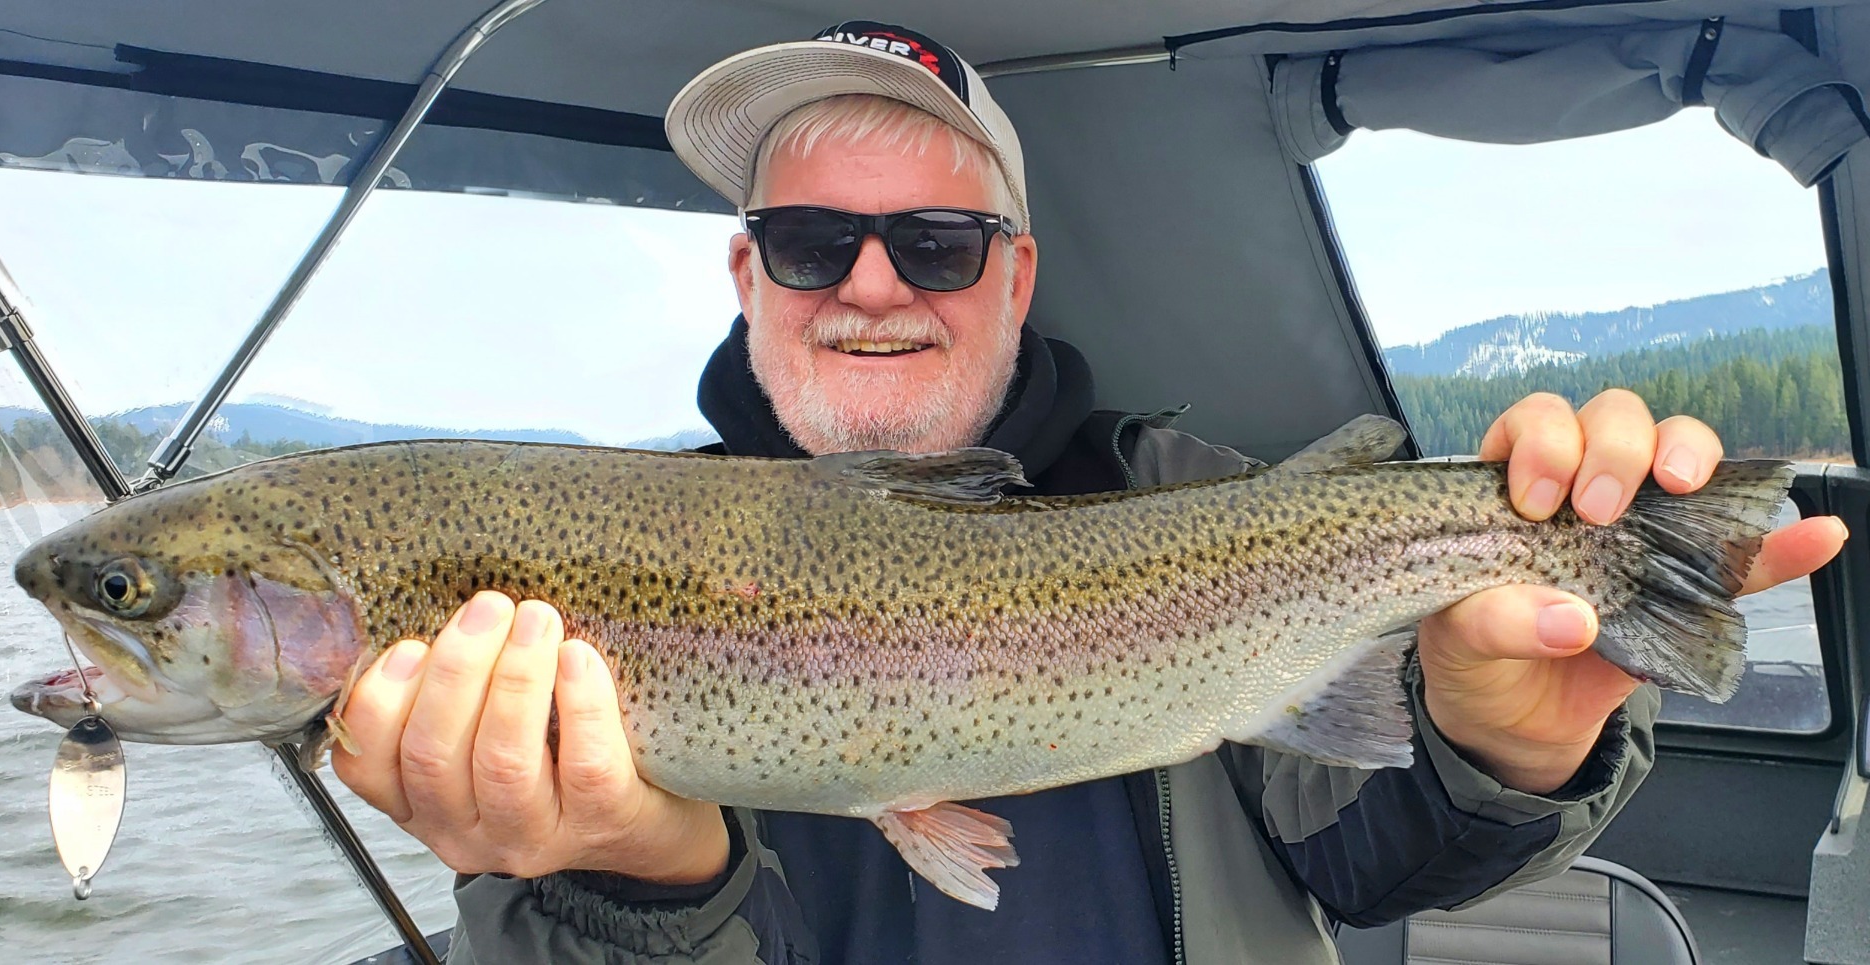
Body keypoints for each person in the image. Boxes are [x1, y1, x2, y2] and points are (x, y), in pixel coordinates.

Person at [333, 21, 1848, 964]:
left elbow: (1381, 855)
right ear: (747, 274)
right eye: (808, 241)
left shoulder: (1201, 501)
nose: (870, 287)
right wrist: (629, 891)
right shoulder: (570, 581)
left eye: (934, 242)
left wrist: (1495, 751)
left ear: (1016, 272)